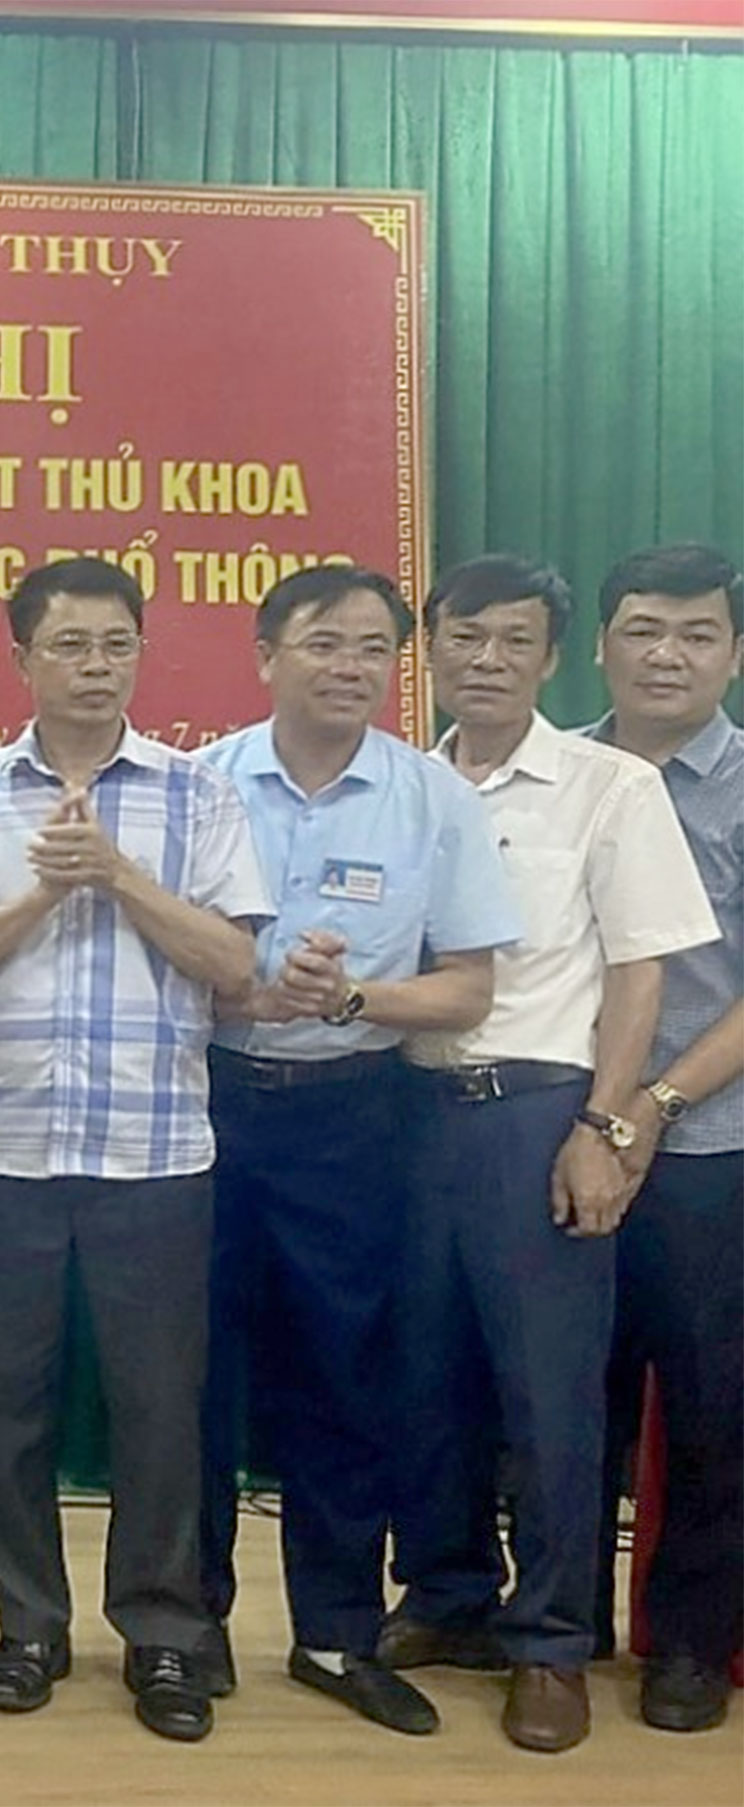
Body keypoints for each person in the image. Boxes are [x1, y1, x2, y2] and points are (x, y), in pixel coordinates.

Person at [0, 557, 269, 1743]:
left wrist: (115, 874)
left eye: (116, 644)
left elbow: (234, 963)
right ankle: (28, 1625)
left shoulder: (196, 793)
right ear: (22, 659)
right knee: (7, 1403)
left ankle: (163, 1634)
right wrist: (39, 900)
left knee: (159, 1406)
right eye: (69, 645)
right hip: (5, 1144)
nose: (95, 667)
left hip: (153, 1150)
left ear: (140, 654)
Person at [379, 555, 716, 1753]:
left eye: (514, 640)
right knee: (427, 1375)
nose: (487, 659)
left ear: (553, 657)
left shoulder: (609, 786)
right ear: (431, 647)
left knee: (551, 1392)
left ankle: (554, 1641)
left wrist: (602, 1127)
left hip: (537, 1109)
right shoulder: (398, 785)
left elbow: (642, 972)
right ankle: (450, 1596)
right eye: (465, 636)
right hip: (408, 1109)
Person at [193, 564, 519, 1735]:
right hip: (206, 1106)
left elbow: (468, 988)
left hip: (354, 1117)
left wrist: (348, 998)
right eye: (325, 642)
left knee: (344, 1376)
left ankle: (335, 1633)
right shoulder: (200, 784)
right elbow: (160, 951)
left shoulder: (434, 799)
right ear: (266, 654)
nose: (352, 667)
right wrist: (242, 985)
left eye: (376, 648)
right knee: (192, 1378)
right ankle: (183, 1629)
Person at [588, 541, 744, 1735]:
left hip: (709, 1144)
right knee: (560, 1399)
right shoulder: (561, 774)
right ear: (603, 646)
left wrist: (656, 1105)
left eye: (697, 634)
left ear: (732, 654)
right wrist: (602, 1114)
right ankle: (554, 1626)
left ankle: (689, 1641)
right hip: (565, 1136)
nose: (667, 655)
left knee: (707, 1405)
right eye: (644, 629)